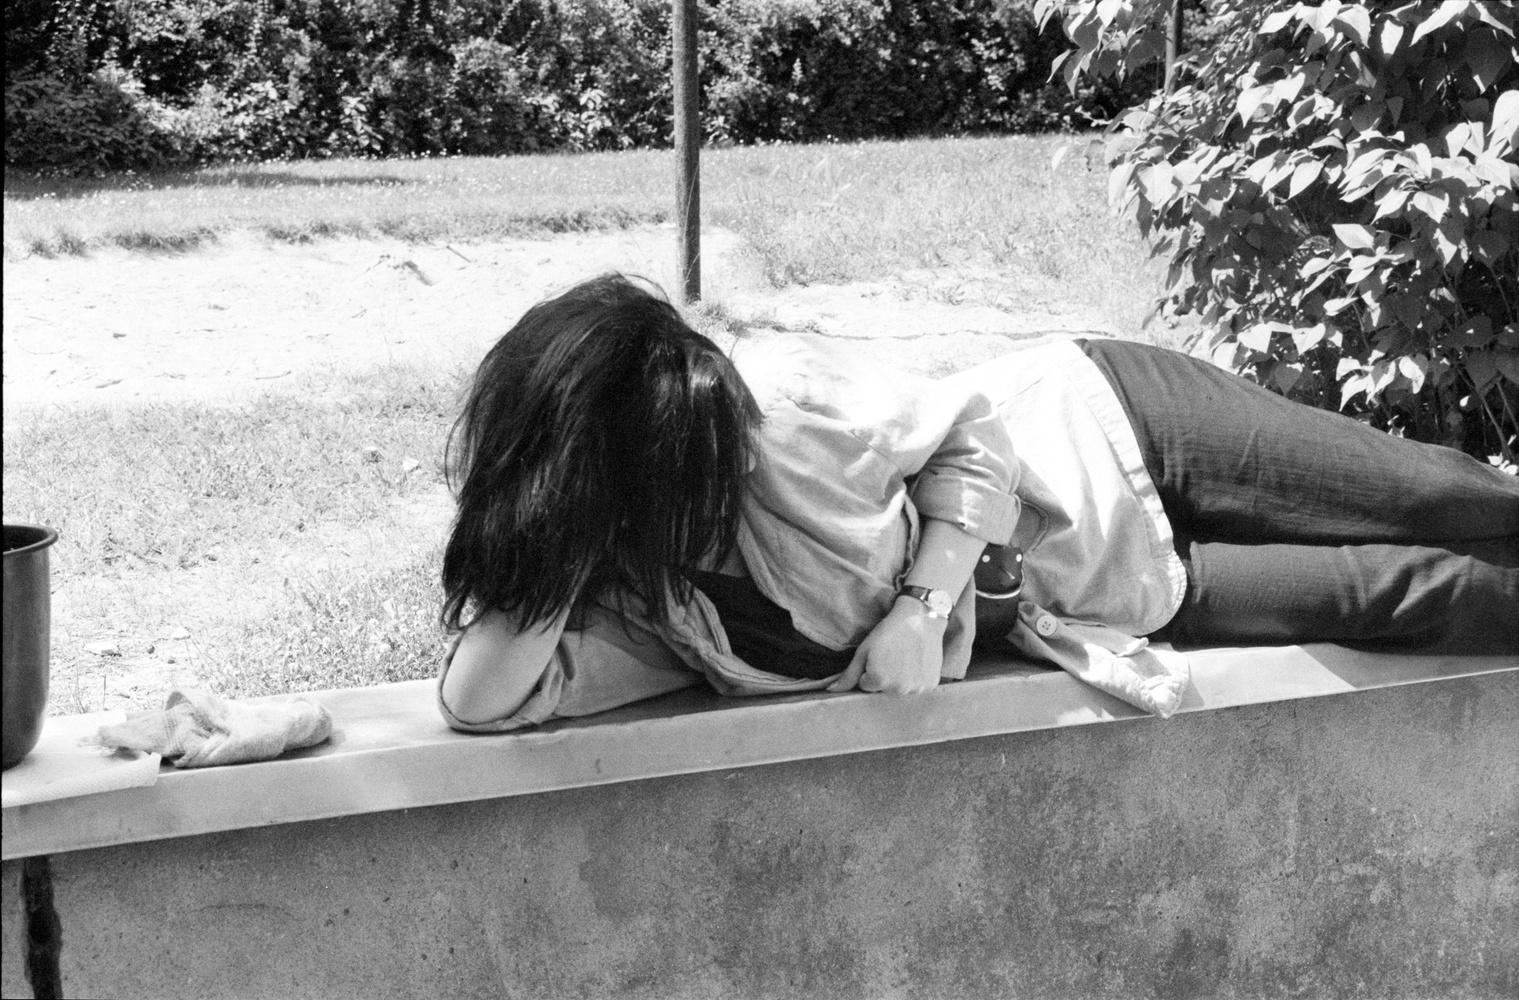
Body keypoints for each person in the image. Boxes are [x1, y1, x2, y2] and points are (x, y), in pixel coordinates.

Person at [437, 274, 1519, 732]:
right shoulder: (653, 611)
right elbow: (480, 702)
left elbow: (970, 432)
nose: (726, 446)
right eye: (684, 454)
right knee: (1410, 595)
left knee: (1442, 495)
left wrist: (914, 609)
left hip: (1113, 424)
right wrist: (547, 544)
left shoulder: (781, 416)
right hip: (1109, 588)